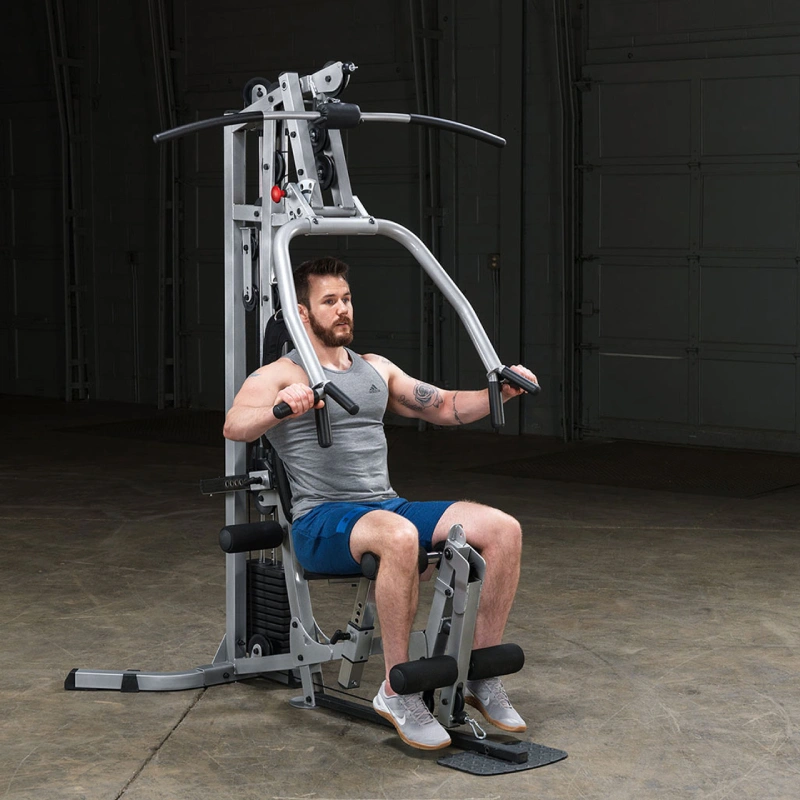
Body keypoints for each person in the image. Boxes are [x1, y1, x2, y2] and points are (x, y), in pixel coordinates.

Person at [223, 256, 538, 751]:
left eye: (346, 299)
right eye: (329, 301)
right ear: (302, 314)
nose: (343, 309)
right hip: (320, 520)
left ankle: (481, 675)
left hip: (386, 506)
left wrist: (499, 391)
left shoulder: (375, 369)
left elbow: (443, 406)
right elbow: (234, 425)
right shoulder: (280, 373)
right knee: (399, 536)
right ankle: (398, 691)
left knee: (503, 529)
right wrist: (283, 406)